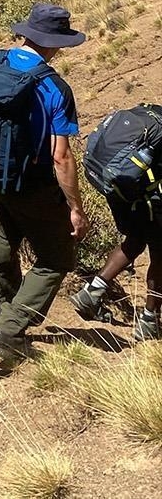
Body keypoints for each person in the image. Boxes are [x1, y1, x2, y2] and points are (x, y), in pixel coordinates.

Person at [0, 3, 88, 367]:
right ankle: (9, 329)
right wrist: (76, 208)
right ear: (55, 43)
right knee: (56, 258)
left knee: (2, 250)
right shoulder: (54, 87)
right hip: (34, 186)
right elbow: (60, 157)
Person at [71, 103, 162, 342]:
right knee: (160, 254)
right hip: (144, 196)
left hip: (116, 188)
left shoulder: (147, 111)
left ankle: (91, 292)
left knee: (135, 239)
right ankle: (149, 320)